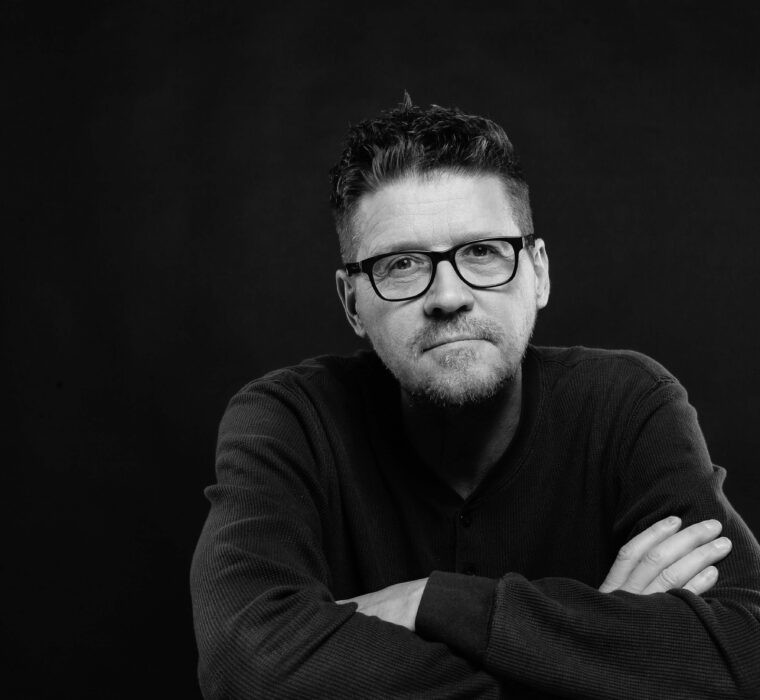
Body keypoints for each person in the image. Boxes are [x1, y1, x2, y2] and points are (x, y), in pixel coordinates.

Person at [190, 96, 760, 698]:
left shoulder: (628, 405)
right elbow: (244, 668)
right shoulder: (288, 422)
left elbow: (747, 648)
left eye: (482, 252)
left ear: (538, 273)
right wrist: (595, 654)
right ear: (352, 302)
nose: (447, 296)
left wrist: (435, 602)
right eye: (402, 264)